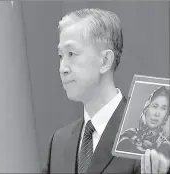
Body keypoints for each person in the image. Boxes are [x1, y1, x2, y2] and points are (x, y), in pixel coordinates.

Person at [41, 8, 170, 174]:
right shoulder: (58, 142)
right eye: (60, 56)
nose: (62, 68)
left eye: (71, 53)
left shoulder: (148, 140)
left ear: (105, 61)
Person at [117, 86, 170, 157]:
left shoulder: (166, 147)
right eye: (155, 106)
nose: (157, 113)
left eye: (163, 108)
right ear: (146, 108)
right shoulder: (129, 135)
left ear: (166, 115)